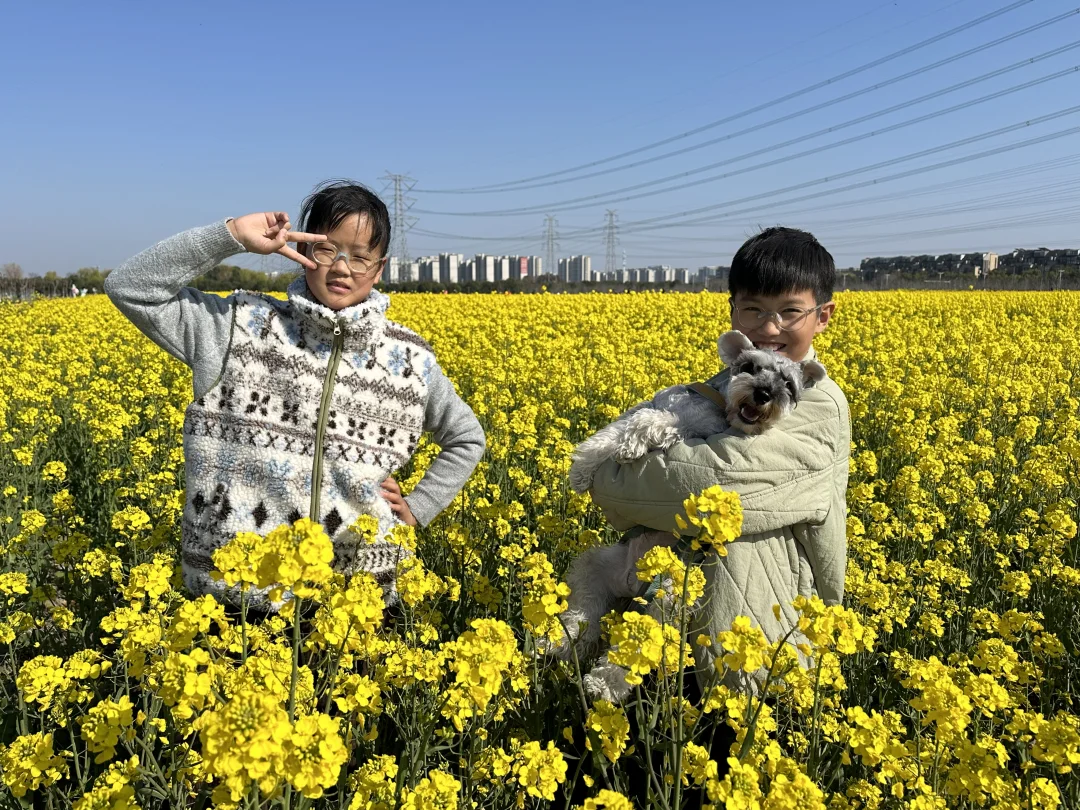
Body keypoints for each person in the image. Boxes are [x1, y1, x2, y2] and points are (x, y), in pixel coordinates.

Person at [105, 181, 485, 609]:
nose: (341, 268)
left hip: (356, 605)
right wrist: (231, 235)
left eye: (360, 257)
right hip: (238, 601)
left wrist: (418, 506)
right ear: (303, 250)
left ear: (379, 269)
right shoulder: (237, 328)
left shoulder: (409, 360)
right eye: (326, 250)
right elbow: (130, 287)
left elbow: (466, 438)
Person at [587, 226, 850, 691]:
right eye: (753, 309)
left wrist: (621, 477)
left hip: (750, 650)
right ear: (732, 313)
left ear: (823, 315)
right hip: (666, 635)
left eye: (790, 311)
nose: (770, 328)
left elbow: (708, 485)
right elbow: (600, 469)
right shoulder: (708, 389)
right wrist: (611, 474)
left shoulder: (817, 404)